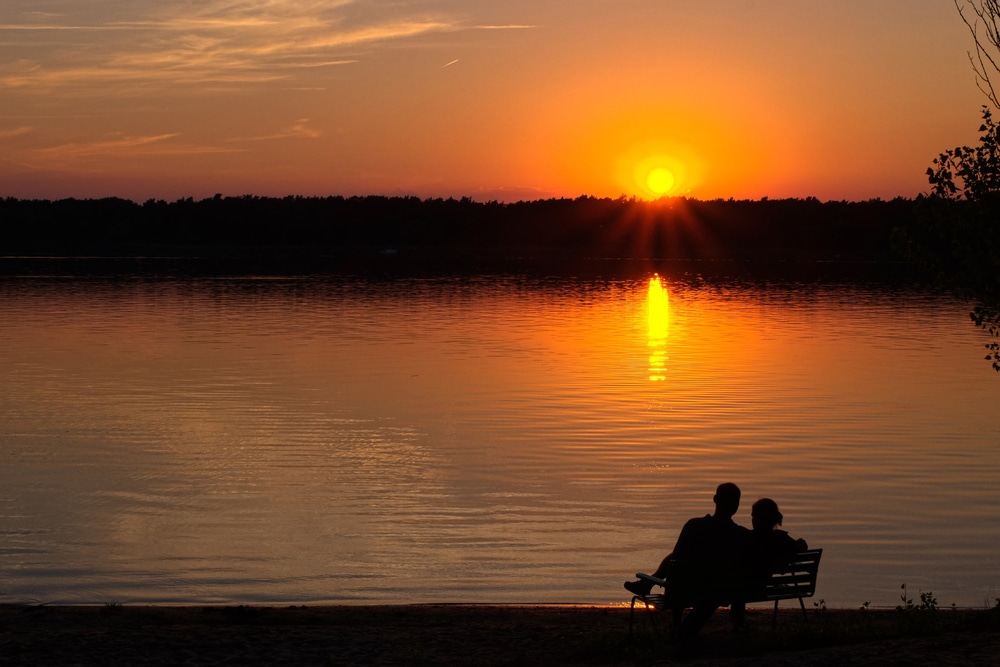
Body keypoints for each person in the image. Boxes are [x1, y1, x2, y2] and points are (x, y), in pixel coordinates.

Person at [624, 482, 749, 638]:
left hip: (687, 592)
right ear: (737, 504)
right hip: (721, 591)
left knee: (678, 561)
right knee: (680, 561)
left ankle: (670, 614)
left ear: (715, 499)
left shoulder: (694, 526)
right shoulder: (741, 535)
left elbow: (676, 561)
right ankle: (647, 584)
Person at [729, 497, 809, 630]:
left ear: (759, 519)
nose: (752, 519)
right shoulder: (781, 539)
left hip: (746, 587)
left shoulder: (748, 537)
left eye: (754, 516)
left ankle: (737, 619)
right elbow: (801, 547)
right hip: (764, 585)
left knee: (740, 579)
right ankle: (737, 620)